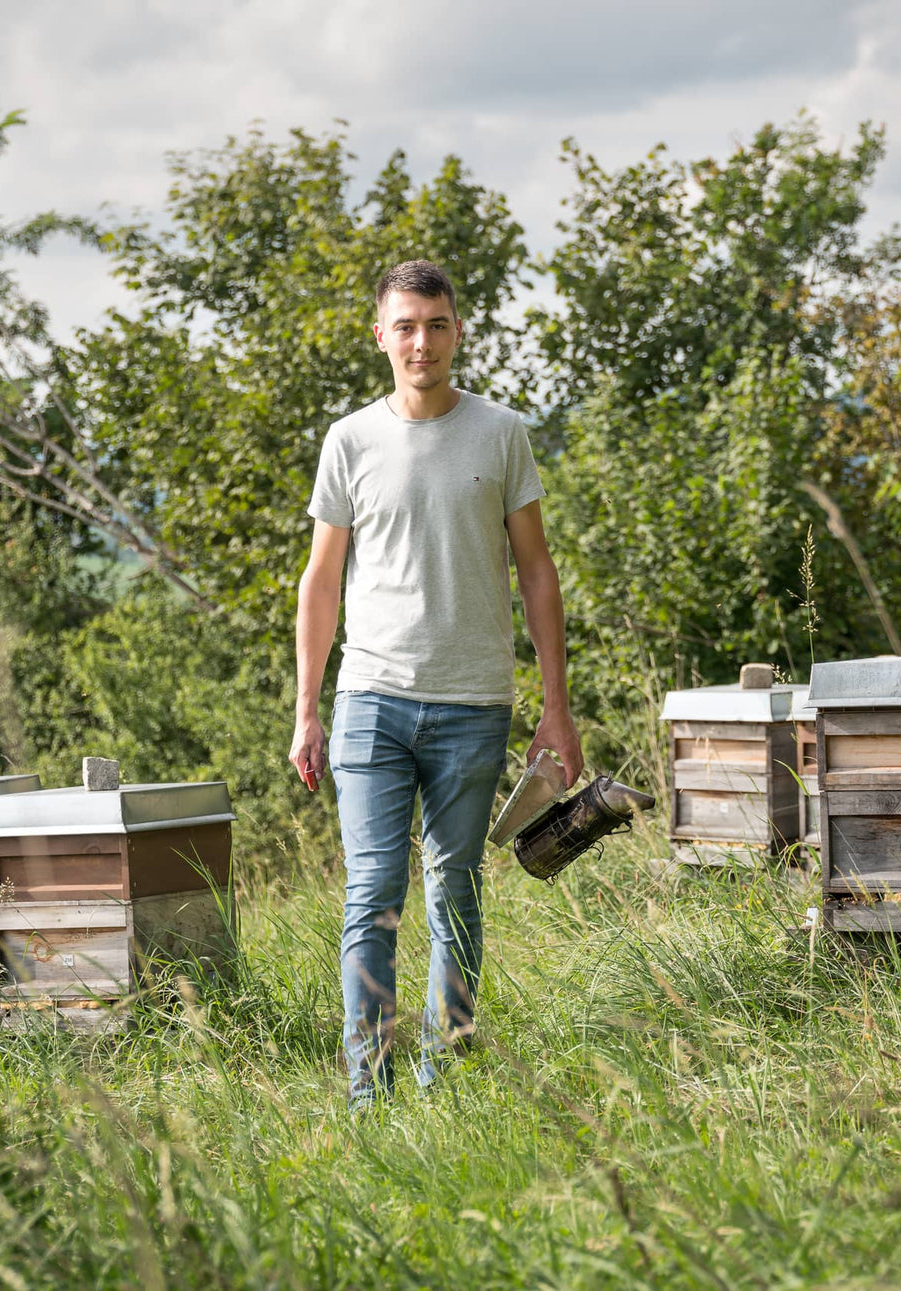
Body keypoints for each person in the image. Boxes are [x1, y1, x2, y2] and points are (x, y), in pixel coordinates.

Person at [289, 259, 583, 1109]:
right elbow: (321, 579)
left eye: (438, 325)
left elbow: (537, 572)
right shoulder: (350, 439)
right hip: (370, 702)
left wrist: (555, 710)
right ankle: (369, 1098)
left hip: (473, 706)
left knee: (455, 888)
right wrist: (306, 710)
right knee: (372, 893)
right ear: (380, 334)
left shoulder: (502, 433)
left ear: (459, 332)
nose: (423, 341)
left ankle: (445, 1078)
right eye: (407, 325)